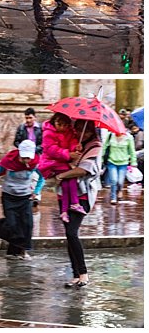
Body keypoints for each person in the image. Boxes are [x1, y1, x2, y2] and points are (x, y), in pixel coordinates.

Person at [55, 119, 102, 288]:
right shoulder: (75, 144)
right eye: (78, 129)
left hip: (83, 196)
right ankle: (75, 274)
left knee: (72, 232)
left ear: (91, 131)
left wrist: (62, 175)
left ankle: (83, 273)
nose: (82, 133)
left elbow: (84, 170)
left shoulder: (95, 147)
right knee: (68, 234)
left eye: (85, 130)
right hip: (65, 194)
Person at [0, 139, 44, 260]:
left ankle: (21, 251)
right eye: (24, 157)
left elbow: (42, 177)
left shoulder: (35, 163)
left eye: (29, 158)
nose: (27, 160)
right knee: (13, 225)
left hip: (25, 198)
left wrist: (36, 191)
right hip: (9, 197)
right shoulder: (9, 161)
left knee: (27, 225)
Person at [38, 113, 84, 222]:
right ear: (54, 122)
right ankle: (74, 202)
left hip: (63, 162)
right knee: (71, 176)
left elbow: (72, 141)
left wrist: (75, 147)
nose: (62, 128)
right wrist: (68, 154)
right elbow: (52, 150)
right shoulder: (48, 133)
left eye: (65, 125)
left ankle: (64, 211)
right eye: (60, 124)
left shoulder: (69, 132)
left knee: (66, 184)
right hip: (51, 163)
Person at [102, 129, 137, 204]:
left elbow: (132, 151)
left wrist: (134, 161)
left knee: (120, 182)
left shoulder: (129, 137)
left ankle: (119, 190)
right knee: (113, 180)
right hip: (112, 161)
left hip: (123, 163)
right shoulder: (110, 135)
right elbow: (104, 147)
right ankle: (113, 197)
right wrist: (101, 158)